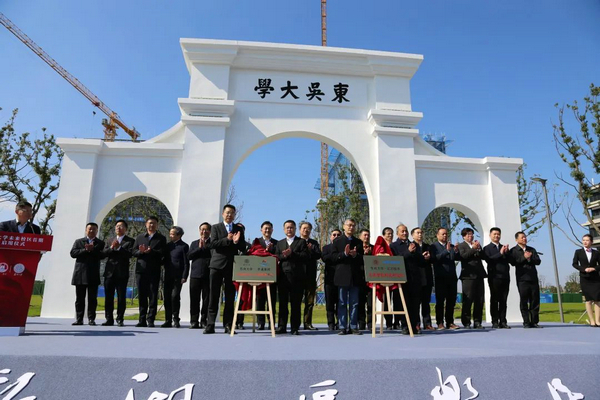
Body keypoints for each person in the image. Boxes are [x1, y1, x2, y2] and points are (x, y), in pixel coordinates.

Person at [204, 204, 246, 334]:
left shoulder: (238, 229)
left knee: (229, 297)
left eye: (232, 213)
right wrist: (227, 239)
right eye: (227, 212)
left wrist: (236, 242)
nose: (229, 215)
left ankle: (228, 324)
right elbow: (213, 244)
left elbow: (243, 247)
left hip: (231, 266)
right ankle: (210, 324)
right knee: (213, 295)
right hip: (216, 265)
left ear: (234, 215)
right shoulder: (216, 227)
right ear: (223, 214)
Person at [132, 216, 167, 328]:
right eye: (150, 223)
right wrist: (141, 252)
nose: (152, 225)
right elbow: (133, 251)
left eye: (154, 223)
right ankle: (142, 319)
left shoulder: (161, 238)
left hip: (154, 270)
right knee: (142, 295)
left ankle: (151, 319)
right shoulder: (140, 237)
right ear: (146, 224)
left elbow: (163, 253)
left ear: (157, 225)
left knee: (153, 295)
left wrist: (151, 251)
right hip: (141, 270)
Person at [275, 220, 309, 335]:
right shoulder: (279, 243)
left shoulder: (301, 242)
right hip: (283, 277)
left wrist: (292, 254)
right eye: (287, 227)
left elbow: (305, 256)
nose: (289, 229)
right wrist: (284, 255)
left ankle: (295, 327)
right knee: (282, 303)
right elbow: (276, 256)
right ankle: (282, 326)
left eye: (291, 227)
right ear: (284, 229)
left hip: (297, 278)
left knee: (296, 304)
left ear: (295, 229)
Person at [331, 219, 364, 335]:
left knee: (354, 303)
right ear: (344, 227)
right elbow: (333, 257)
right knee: (342, 303)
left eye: (353, 225)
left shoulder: (358, 242)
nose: (351, 227)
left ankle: (353, 326)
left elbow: (362, 259)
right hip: (342, 275)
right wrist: (344, 254)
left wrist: (355, 255)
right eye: (349, 225)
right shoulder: (337, 241)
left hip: (355, 277)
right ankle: (342, 326)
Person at [69, 222, 105, 326]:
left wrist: (92, 250)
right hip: (80, 274)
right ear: (86, 230)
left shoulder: (100, 243)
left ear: (97, 231)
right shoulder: (79, 241)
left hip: (93, 274)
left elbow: (103, 255)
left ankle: (91, 319)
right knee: (79, 299)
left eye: (94, 229)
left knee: (92, 299)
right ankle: (79, 319)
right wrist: (85, 250)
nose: (92, 231)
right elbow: (73, 253)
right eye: (90, 229)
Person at [101, 219, 134, 327]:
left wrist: (119, 247)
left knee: (121, 297)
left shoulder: (130, 241)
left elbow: (130, 254)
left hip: (122, 273)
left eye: (121, 226)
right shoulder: (109, 240)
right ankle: (109, 319)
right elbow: (104, 254)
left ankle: (120, 318)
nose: (118, 228)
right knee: (108, 297)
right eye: (117, 226)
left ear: (126, 229)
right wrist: (112, 247)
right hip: (109, 272)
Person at [390, 224, 421, 334]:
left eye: (406, 231)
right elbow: (394, 260)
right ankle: (404, 325)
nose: (404, 233)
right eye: (402, 231)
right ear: (397, 233)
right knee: (403, 303)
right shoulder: (393, 246)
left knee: (415, 304)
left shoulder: (414, 244)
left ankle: (414, 325)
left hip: (415, 279)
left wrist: (423, 256)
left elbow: (420, 261)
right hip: (402, 280)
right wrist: (408, 252)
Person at [428, 228, 460, 330]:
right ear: (437, 235)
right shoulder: (433, 247)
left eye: (446, 234)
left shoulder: (451, 246)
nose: (445, 236)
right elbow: (434, 259)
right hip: (440, 277)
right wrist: (446, 251)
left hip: (452, 277)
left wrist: (456, 251)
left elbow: (455, 258)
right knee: (440, 301)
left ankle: (450, 322)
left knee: (451, 301)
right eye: (442, 234)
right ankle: (440, 322)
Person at [509, 231, 542, 328]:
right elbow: (513, 262)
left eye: (525, 237)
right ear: (517, 239)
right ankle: (526, 321)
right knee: (524, 300)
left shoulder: (531, 249)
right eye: (522, 237)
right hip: (522, 279)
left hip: (533, 278)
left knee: (535, 300)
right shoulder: (514, 250)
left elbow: (538, 261)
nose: (524, 239)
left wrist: (530, 258)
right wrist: (524, 257)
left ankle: (534, 321)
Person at [457, 228, 487, 329]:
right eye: (468, 235)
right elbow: (463, 256)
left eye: (472, 234)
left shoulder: (476, 244)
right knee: (468, 299)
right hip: (468, 276)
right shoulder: (461, 246)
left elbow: (483, 257)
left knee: (479, 299)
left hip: (479, 275)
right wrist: (473, 249)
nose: (471, 236)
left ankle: (477, 321)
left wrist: (479, 249)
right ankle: (466, 322)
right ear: (464, 236)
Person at [482, 227, 511, 329]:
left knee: (503, 300)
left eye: (498, 234)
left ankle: (503, 321)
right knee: (494, 299)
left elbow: (511, 261)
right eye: (494, 234)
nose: (496, 236)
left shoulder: (504, 247)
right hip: (494, 277)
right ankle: (495, 321)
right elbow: (489, 260)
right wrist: (500, 253)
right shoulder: (487, 248)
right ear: (490, 235)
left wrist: (507, 252)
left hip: (505, 277)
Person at [185, 223, 212, 329]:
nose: (204, 232)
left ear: (210, 231)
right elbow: (189, 256)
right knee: (194, 299)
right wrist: (199, 248)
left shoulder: (212, 243)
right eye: (202, 229)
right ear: (199, 231)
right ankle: (194, 321)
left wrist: (205, 247)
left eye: (206, 230)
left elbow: (213, 256)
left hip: (208, 275)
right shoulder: (194, 243)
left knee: (206, 300)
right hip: (195, 275)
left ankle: (204, 320)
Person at [572, 234, 600, 327]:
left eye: (587, 240)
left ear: (591, 242)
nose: (585, 242)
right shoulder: (578, 252)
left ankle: (598, 321)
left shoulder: (596, 253)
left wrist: (594, 268)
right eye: (583, 240)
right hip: (584, 278)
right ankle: (592, 321)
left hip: (595, 279)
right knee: (588, 300)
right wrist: (583, 269)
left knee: (597, 299)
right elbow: (574, 264)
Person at [163, 226, 189, 328]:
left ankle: (176, 318)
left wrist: (184, 276)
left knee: (175, 297)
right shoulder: (168, 246)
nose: (170, 236)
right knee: (167, 297)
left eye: (173, 234)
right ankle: (168, 320)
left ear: (179, 235)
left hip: (178, 276)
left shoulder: (184, 246)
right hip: (168, 275)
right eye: (170, 234)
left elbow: (186, 263)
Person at [255, 221, 278, 330]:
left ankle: (271, 322)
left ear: (272, 230)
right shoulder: (257, 241)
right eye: (265, 228)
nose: (267, 230)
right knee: (259, 300)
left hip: (271, 276)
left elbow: (278, 256)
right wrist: (265, 251)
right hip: (259, 275)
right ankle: (261, 323)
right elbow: (253, 254)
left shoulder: (277, 243)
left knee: (271, 301)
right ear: (261, 230)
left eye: (269, 228)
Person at [300, 221, 321, 330]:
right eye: (304, 228)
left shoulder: (314, 243)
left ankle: (307, 323)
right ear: (300, 230)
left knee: (310, 301)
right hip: (298, 276)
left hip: (310, 276)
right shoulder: (296, 241)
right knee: (296, 301)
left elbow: (318, 255)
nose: (306, 230)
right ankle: (295, 323)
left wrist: (311, 249)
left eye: (308, 228)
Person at [411, 227, 434, 330]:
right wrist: (421, 256)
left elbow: (433, 259)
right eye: (418, 233)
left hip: (427, 277)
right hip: (416, 278)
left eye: (421, 233)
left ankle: (427, 323)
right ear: (413, 235)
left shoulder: (428, 246)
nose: (420, 234)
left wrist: (429, 257)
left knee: (426, 302)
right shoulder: (411, 246)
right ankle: (416, 323)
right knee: (415, 303)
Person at [321, 229, 341, 330]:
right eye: (334, 235)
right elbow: (324, 258)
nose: (336, 236)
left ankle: (340, 322)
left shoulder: (344, 247)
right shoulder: (326, 248)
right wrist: (337, 256)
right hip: (329, 279)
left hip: (341, 278)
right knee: (329, 303)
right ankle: (331, 323)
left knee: (340, 302)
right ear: (330, 236)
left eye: (338, 235)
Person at [358, 228, 373, 330]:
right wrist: (363, 254)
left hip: (371, 279)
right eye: (365, 235)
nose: (366, 237)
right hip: (359, 279)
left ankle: (371, 324)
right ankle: (361, 323)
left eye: (368, 235)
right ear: (360, 236)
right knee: (360, 302)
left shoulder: (373, 248)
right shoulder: (357, 247)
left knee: (371, 303)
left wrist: (370, 254)